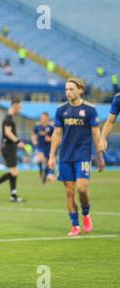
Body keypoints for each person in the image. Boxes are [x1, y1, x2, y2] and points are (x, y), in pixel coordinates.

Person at [48, 77, 105, 236]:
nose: (68, 92)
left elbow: (95, 133)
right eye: (66, 89)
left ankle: (86, 213)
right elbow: (57, 134)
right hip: (65, 156)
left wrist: (100, 156)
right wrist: (52, 156)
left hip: (82, 155)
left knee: (82, 187)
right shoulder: (61, 110)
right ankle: (75, 225)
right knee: (69, 192)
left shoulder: (90, 110)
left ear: (80, 90)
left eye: (71, 89)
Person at [0, 98, 25, 202]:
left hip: (8, 147)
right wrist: (18, 142)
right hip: (9, 147)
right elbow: (7, 132)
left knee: (14, 172)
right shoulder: (9, 118)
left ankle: (12, 194)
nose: (20, 109)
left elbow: (3, 135)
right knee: (14, 172)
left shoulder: (9, 117)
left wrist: (0, 149)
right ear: (15, 105)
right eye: (20, 107)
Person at [31, 112, 54, 183]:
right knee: (40, 159)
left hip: (48, 147)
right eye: (42, 117)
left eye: (44, 118)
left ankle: (45, 175)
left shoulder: (51, 128)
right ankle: (41, 172)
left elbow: (56, 137)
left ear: (47, 118)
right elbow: (33, 133)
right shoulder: (37, 126)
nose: (43, 119)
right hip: (40, 146)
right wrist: (34, 140)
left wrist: (50, 139)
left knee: (47, 162)